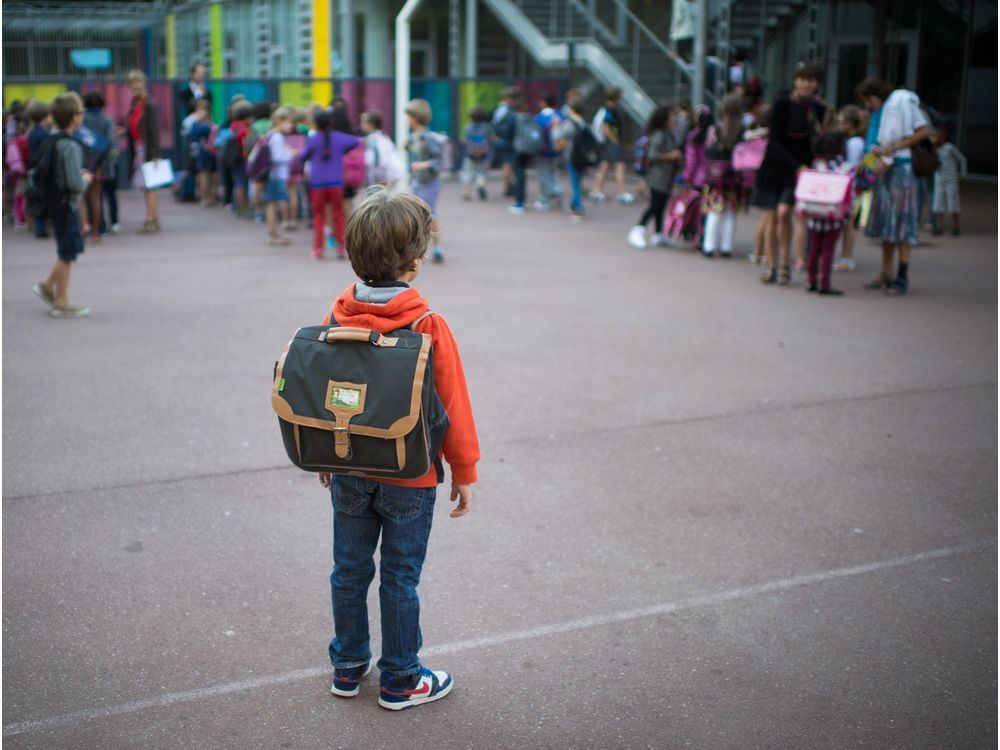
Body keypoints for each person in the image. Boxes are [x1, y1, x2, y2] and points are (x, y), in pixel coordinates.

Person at [317, 187, 478, 711]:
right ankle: (401, 678)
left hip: (346, 462)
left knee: (349, 568)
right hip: (410, 473)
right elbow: (453, 403)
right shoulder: (428, 324)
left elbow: (324, 389)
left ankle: (347, 664)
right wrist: (465, 471)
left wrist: (325, 454)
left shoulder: (338, 313)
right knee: (400, 577)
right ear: (414, 262)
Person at [752, 63, 826, 285]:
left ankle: (786, 264)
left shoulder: (818, 108)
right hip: (775, 167)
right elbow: (773, 141)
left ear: (817, 84)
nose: (806, 83)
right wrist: (797, 165)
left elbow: (816, 143)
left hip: (798, 171)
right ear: (795, 80)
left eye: (811, 80)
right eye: (802, 79)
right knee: (771, 217)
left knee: (785, 213)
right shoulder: (782, 104)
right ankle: (771, 265)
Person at [857, 77, 931, 296]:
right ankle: (885, 272)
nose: (867, 107)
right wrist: (866, 163)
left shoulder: (901, 101)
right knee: (887, 224)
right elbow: (880, 145)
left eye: (867, 102)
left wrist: (894, 147)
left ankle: (902, 276)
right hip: (887, 171)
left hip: (902, 170)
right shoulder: (884, 110)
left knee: (902, 223)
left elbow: (923, 131)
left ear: (874, 97)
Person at [33, 93, 91, 318]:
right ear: (73, 117)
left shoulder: (52, 139)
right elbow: (74, 182)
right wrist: (85, 179)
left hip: (54, 201)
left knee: (68, 248)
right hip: (67, 204)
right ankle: (61, 300)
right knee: (67, 252)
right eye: (80, 112)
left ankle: (47, 286)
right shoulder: (70, 146)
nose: (82, 116)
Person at [297, 108, 361, 259]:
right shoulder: (338, 137)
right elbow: (356, 141)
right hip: (336, 183)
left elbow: (302, 157)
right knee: (338, 215)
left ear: (315, 124)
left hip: (317, 183)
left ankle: (318, 249)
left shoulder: (313, 139)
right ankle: (341, 248)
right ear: (330, 123)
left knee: (318, 215)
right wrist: (342, 151)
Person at [800, 132, 853, 296]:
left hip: (814, 214)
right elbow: (850, 193)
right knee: (828, 249)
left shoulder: (816, 165)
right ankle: (825, 283)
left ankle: (811, 281)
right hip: (833, 215)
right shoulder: (844, 167)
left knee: (814, 248)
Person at [626, 105, 681, 248]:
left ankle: (658, 234)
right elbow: (653, 155)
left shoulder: (669, 134)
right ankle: (638, 229)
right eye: (671, 117)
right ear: (664, 120)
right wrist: (671, 156)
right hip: (657, 177)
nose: (674, 120)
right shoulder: (659, 135)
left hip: (666, 177)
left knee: (661, 206)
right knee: (655, 205)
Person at [700, 93, 746, 258]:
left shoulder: (715, 128)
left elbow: (707, 150)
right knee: (730, 213)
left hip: (715, 177)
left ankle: (709, 246)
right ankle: (726, 247)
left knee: (714, 212)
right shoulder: (742, 130)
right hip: (734, 178)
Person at [404, 99, 445, 262]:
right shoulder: (413, 137)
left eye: (408, 116)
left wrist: (423, 164)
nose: (407, 120)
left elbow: (438, 160)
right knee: (416, 215)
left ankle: (438, 249)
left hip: (429, 183)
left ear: (415, 117)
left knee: (430, 214)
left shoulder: (429, 138)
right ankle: (416, 249)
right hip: (417, 182)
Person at [125, 69, 162, 234]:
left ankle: (151, 220)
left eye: (138, 81)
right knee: (146, 186)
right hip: (138, 147)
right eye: (132, 82)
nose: (135, 85)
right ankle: (152, 218)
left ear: (144, 84)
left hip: (146, 149)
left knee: (150, 185)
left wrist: (155, 154)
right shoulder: (134, 103)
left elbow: (154, 130)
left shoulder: (149, 104)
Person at [832, 104, 866, 272]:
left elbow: (851, 166)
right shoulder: (855, 141)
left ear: (850, 124)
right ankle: (845, 257)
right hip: (851, 187)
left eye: (841, 122)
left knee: (848, 223)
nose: (839, 126)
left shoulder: (854, 142)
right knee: (848, 223)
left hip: (850, 188)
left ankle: (847, 258)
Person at [589, 87, 634, 204]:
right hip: (612, 143)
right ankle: (621, 193)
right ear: (616, 97)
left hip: (607, 143)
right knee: (620, 166)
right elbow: (606, 128)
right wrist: (615, 141)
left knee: (605, 166)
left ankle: (596, 190)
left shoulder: (605, 108)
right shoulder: (611, 110)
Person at [81, 91, 115, 242]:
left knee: (82, 198)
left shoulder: (81, 119)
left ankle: (84, 227)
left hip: (82, 164)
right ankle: (97, 232)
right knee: (96, 198)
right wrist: (105, 165)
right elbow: (111, 143)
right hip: (99, 165)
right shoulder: (107, 120)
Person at [262, 107, 297, 246]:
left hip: (273, 175)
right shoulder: (277, 137)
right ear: (280, 121)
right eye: (288, 122)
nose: (291, 126)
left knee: (272, 204)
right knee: (272, 204)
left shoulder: (271, 135)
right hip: (276, 175)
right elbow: (277, 157)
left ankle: (274, 233)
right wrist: (291, 154)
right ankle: (273, 234)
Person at [558, 91, 590, 221]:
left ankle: (578, 207)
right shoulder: (584, 123)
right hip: (583, 157)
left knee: (574, 182)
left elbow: (560, 138)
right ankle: (574, 202)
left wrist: (556, 127)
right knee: (578, 180)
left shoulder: (569, 123)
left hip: (571, 156)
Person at [931, 127, 967, 236]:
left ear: (941, 137)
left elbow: (962, 159)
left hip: (951, 180)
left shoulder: (949, 148)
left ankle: (956, 227)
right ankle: (939, 226)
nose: (933, 138)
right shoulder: (933, 149)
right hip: (939, 180)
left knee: (953, 204)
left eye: (935, 136)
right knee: (938, 204)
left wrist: (963, 174)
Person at [25, 101, 53, 238]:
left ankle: (39, 226)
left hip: (34, 168)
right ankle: (41, 228)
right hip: (42, 169)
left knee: (37, 197)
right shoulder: (43, 134)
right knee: (43, 198)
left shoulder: (32, 132)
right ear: (44, 117)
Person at [183, 98, 217, 207]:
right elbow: (194, 135)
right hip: (204, 152)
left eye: (203, 110)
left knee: (209, 175)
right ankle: (205, 197)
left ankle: (209, 196)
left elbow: (195, 134)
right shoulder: (203, 123)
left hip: (208, 152)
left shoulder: (207, 123)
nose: (201, 112)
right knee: (204, 175)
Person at [533, 93, 564, 210]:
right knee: (553, 172)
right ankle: (557, 191)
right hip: (558, 150)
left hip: (543, 151)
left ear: (543, 103)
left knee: (543, 174)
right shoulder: (560, 116)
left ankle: (545, 198)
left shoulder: (539, 118)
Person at [491, 87, 519, 197]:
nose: (514, 101)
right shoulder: (504, 109)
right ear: (506, 98)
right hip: (506, 140)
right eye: (512, 98)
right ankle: (507, 187)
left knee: (507, 164)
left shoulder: (501, 109)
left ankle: (508, 186)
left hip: (503, 140)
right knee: (507, 164)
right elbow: (497, 125)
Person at [460, 106, 491, 201]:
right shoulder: (487, 127)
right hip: (484, 155)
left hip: (470, 155)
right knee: (481, 172)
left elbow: (463, 140)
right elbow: (492, 139)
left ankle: (466, 192)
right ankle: (480, 184)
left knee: (468, 173)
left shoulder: (467, 127)